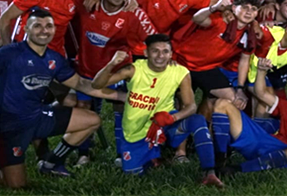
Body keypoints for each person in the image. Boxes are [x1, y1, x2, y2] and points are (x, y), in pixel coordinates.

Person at [0, 9, 126, 188]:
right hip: (8, 124)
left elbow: (82, 84)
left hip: (37, 116)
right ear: (26, 29)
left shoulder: (54, 59)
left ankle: (51, 163)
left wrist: (122, 96)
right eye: (37, 26)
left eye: (49, 26)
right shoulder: (10, 53)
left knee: (92, 120)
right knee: (14, 184)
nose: (44, 30)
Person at [89, 35, 224, 186]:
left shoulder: (180, 72)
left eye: (165, 51)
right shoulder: (134, 69)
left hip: (165, 125)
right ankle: (153, 157)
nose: (160, 56)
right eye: (155, 51)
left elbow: (191, 106)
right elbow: (96, 84)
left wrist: (172, 118)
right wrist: (112, 64)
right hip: (137, 131)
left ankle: (209, 172)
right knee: (133, 175)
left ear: (171, 54)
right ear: (146, 53)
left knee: (197, 121)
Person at [73, 0, 157, 165]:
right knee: (83, 107)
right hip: (87, 68)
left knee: (121, 107)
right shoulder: (88, 2)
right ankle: (83, 154)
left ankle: (121, 154)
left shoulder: (134, 12)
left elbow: (153, 39)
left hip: (116, 71)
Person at [174, 0, 261, 114]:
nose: (249, 12)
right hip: (182, 64)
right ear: (234, 8)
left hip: (206, 69)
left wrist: (240, 88)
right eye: (245, 7)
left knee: (234, 100)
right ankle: (177, 129)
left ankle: (205, 128)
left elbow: (244, 60)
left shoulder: (249, 34)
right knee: (186, 104)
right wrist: (213, 8)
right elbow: (197, 18)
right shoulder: (221, 20)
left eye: (253, 9)